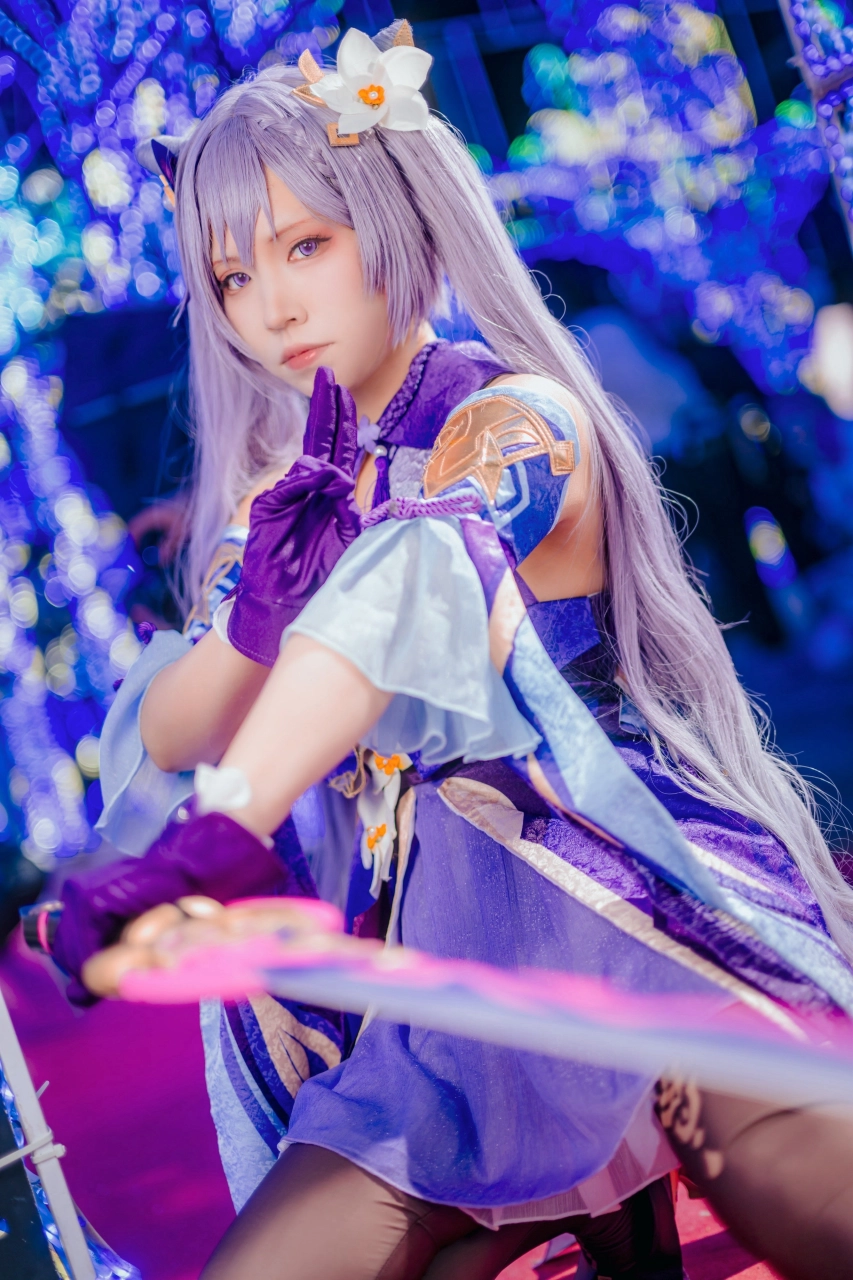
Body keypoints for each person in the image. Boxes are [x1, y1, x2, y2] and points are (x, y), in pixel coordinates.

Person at [40, 22, 853, 1280]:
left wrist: (217, 832)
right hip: (446, 986)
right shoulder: (295, 497)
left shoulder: (515, 416)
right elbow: (171, 722)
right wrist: (253, 615)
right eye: (233, 277)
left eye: (306, 245)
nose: (272, 307)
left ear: (396, 219)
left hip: (631, 911)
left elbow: (424, 577)